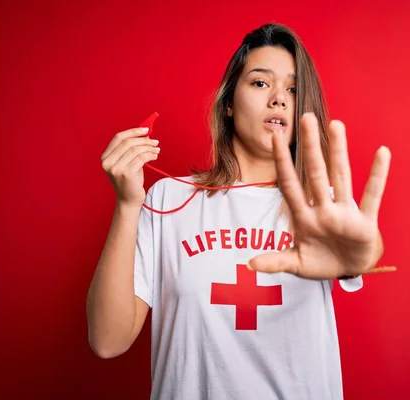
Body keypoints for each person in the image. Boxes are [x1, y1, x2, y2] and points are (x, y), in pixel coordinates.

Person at [86, 23, 391, 400]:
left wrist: (362, 252)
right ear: (229, 102)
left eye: (293, 89)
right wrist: (128, 204)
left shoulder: (319, 206)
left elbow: (362, 247)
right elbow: (107, 340)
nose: (278, 98)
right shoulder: (167, 199)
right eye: (260, 83)